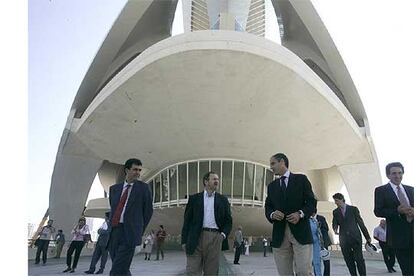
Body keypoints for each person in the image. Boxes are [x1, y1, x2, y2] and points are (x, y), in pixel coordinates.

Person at [265, 153, 316, 276]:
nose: (271, 167)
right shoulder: (272, 186)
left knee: (304, 272)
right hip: (279, 235)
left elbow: (311, 202)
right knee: (284, 273)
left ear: (282, 162)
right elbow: (268, 207)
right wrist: (272, 214)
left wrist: (300, 214)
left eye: (273, 163)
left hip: (301, 232)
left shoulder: (301, 179)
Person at [108, 158, 153, 276]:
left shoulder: (144, 188)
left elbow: (148, 212)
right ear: (127, 170)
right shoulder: (114, 189)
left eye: (139, 170)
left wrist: (138, 231)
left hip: (130, 234)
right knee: (121, 268)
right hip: (114, 232)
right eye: (135, 169)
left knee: (116, 270)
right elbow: (113, 210)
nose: (138, 172)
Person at [181, 171, 233, 276]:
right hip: (195, 237)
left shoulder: (223, 200)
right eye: (214, 179)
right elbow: (187, 221)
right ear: (206, 182)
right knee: (192, 270)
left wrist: (222, 235)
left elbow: (228, 221)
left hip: (215, 238)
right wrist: (184, 241)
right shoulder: (194, 199)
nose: (217, 181)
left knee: (212, 272)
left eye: (218, 179)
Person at [374, 162, 414, 276]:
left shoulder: (411, 190)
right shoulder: (381, 191)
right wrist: (397, 211)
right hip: (399, 238)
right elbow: (378, 211)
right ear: (388, 175)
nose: (397, 176)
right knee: (408, 271)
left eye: (400, 173)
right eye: (394, 173)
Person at [332, 193, 371, 276]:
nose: (336, 203)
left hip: (355, 238)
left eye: (337, 201)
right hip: (344, 240)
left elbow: (361, 223)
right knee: (349, 260)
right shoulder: (335, 212)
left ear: (342, 199)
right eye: (335, 201)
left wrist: (367, 237)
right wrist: (335, 229)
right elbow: (334, 223)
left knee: (359, 259)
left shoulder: (353, 209)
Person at [316, 212, 332, 276]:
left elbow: (326, 229)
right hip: (314, 243)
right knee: (315, 261)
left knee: (326, 261)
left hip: (323, 243)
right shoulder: (308, 219)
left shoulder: (321, 218)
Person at [310, 210, 323, 276]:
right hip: (305, 244)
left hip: (315, 243)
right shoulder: (304, 220)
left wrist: (322, 245)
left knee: (317, 262)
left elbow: (319, 233)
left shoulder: (314, 221)